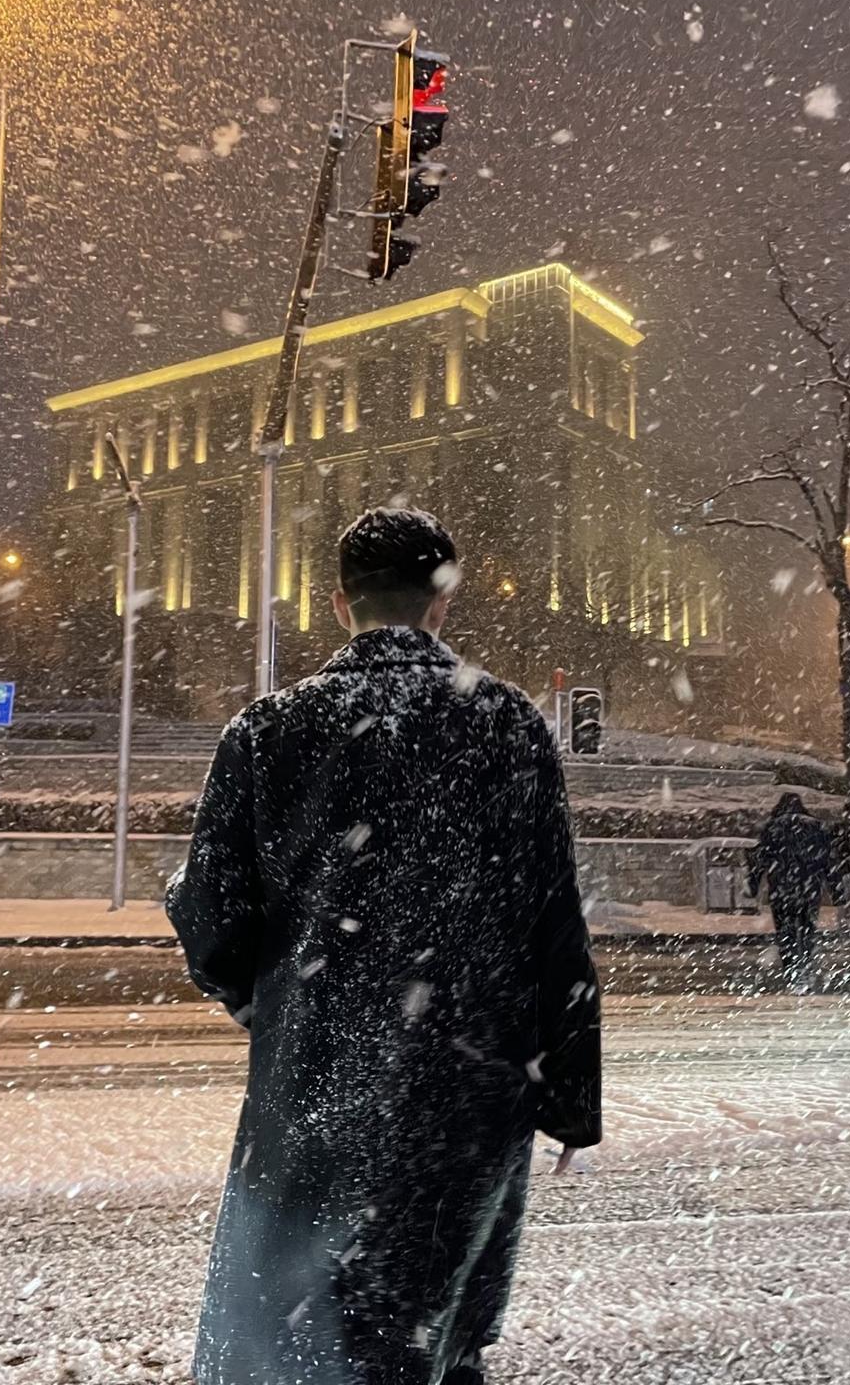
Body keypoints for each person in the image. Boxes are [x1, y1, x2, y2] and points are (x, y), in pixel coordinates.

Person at [167, 506, 602, 1385]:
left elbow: (212, 913)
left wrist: (264, 1002)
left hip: (318, 1078)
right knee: (431, 1332)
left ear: (338, 603)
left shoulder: (265, 732)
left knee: (297, 1334)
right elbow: (552, 918)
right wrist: (567, 1093)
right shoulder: (506, 723)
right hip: (468, 1085)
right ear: (441, 601)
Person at [747, 792, 834, 987]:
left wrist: (753, 884)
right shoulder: (815, 826)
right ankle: (806, 963)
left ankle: (790, 968)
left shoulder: (773, 826)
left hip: (781, 886)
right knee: (807, 927)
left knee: (785, 930)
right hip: (809, 886)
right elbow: (827, 858)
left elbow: (760, 858)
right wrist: (835, 887)